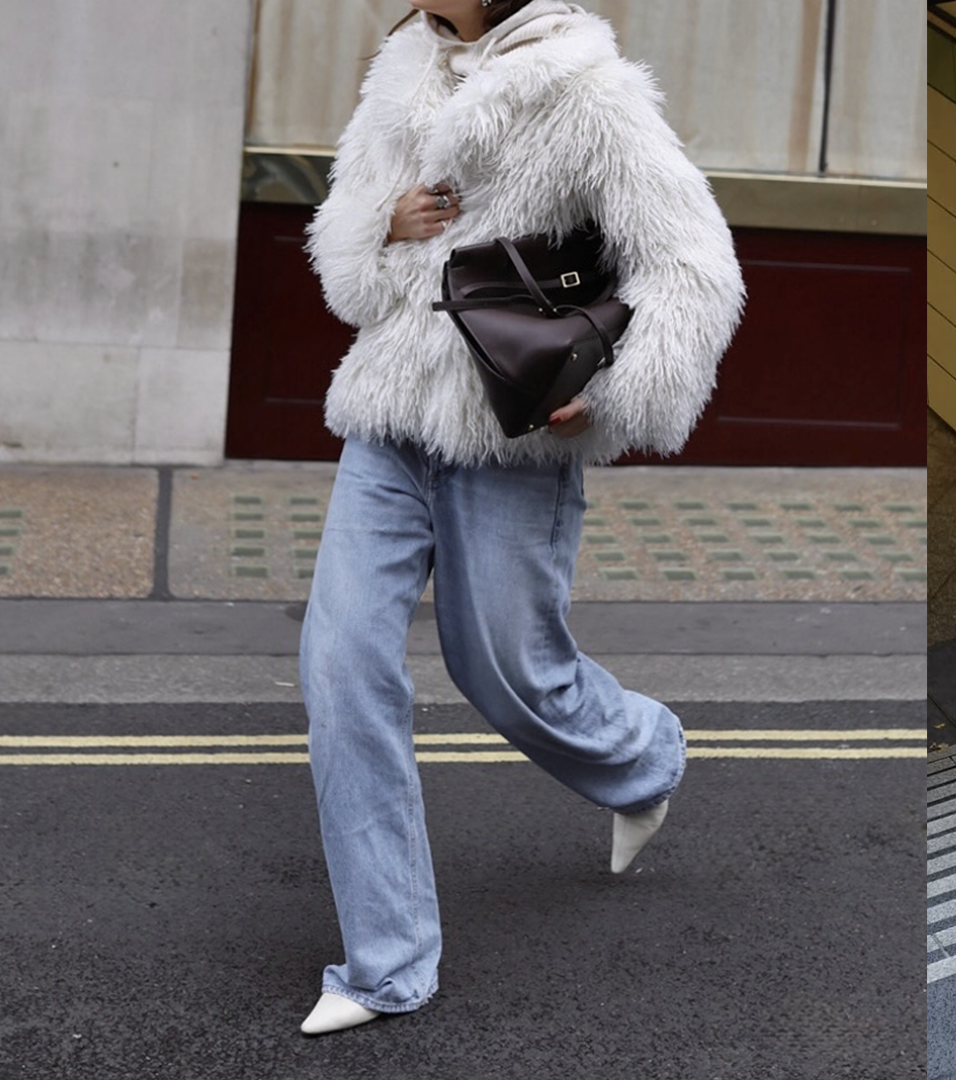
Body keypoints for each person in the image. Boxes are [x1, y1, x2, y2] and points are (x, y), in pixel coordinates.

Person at [296, 0, 745, 1036]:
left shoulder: (589, 91)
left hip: (514, 427)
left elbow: (695, 268)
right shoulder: (402, 71)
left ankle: (644, 759)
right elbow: (350, 275)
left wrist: (621, 395)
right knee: (338, 665)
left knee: (500, 664)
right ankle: (385, 965)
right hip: (387, 424)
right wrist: (381, 226)